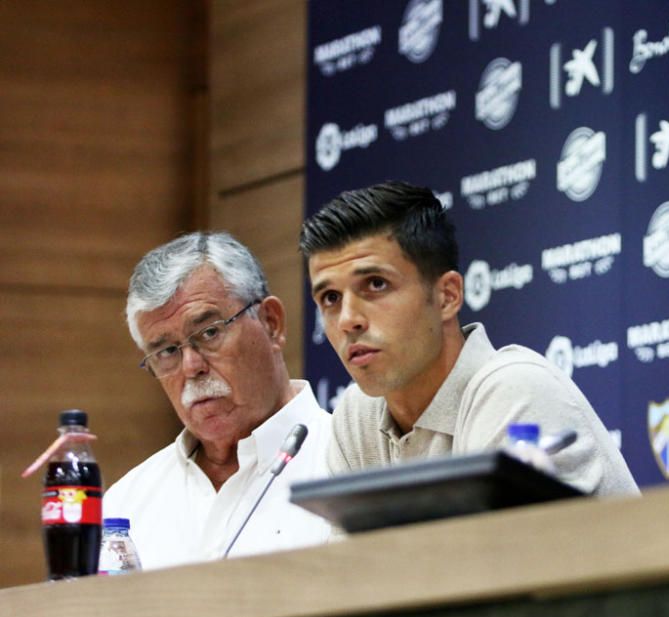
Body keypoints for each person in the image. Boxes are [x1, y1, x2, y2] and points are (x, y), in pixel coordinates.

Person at [300, 181, 639, 495]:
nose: (348, 320)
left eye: (376, 284)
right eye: (330, 298)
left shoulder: (515, 389)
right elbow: (347, 561)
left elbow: (493, 556)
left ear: (447, 296)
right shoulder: (357, 416)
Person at [104, 232, 335, 569]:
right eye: (166, 351)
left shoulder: (348, 461)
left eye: (209, 333)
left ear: (271, 323)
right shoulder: (125, 506)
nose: (191, 367)